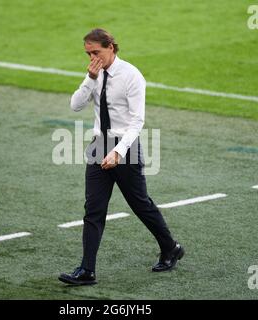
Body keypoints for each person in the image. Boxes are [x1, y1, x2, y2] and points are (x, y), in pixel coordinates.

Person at [58, 28, 184, 285]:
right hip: (97, 147)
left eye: (96, 52)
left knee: (140, 204)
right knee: (93, 209)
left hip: (125, 148)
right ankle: (87, 270)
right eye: (88, 53)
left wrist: (118, 151)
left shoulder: (131, 76)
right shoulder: (94, 74)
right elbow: (75, 105)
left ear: (111, 47)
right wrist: (89, 78)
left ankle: (170, 247)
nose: (92, 57)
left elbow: (137, 121)